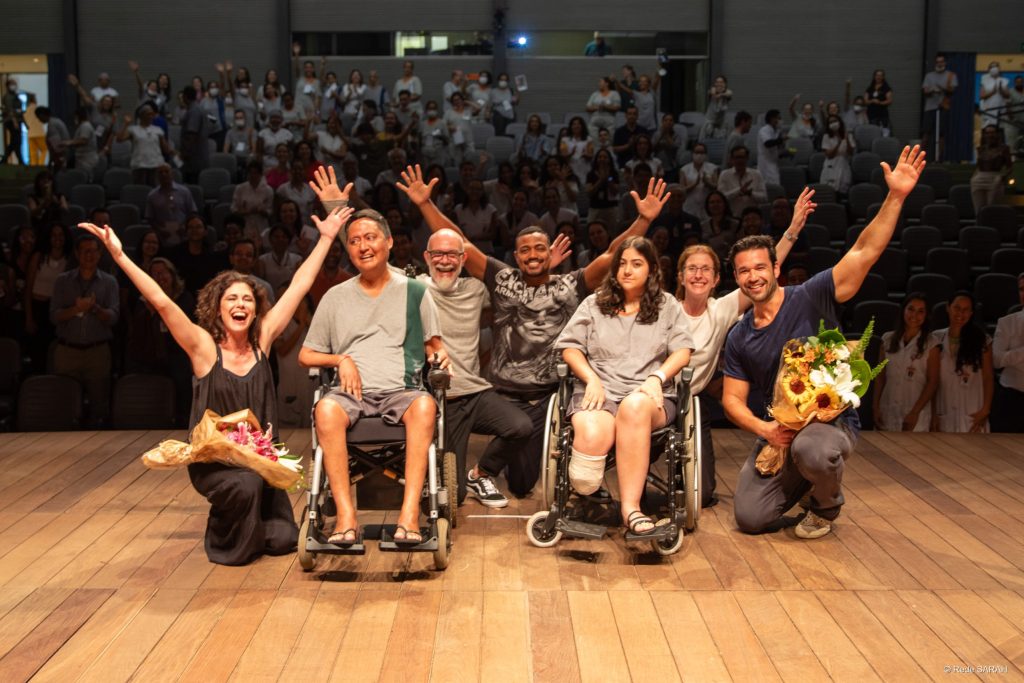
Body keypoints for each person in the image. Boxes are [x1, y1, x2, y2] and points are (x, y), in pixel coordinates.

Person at [78, 167, 354, 565]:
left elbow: (297, 286)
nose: (240, 305)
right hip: (216, 462)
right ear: (217, 308)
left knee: (279, 540)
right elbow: (161, 301)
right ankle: (224, 533)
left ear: (256, 308)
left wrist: (327, 237)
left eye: (247, 299)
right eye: (231, 300)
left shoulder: (262, 341)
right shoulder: (204, 349)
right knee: (243, 489)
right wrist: (119, 255)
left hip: (260, 460)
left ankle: (255, 519)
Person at [398, 163, 670, 497]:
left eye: (539, 248)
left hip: (549, 397)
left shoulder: (572, 284)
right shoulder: (501, 278)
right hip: (502, 393)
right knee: (518, 462)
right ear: (516, 255)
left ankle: (488, 468)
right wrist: (425, 204)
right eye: (525, 249)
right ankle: (484, 469)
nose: (532, 255)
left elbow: (614, 254)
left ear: (550, 253)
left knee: (522, 485)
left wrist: (644, 219)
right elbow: (461, 244)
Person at [723, 145, 925, 539]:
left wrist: (896, 196)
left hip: (830, 425)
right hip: (782, 431)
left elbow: (864, 251)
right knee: (751, 518)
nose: (753, 277)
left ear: (776, 267)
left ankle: (826, 505)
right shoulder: (739, 334)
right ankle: (804, 481)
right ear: (736, 278)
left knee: (813, 452)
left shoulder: (811, 294)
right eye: (744, 271)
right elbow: (731, 400)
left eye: (760, 267)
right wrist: (764, 430)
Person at [298, 202, 449, 546]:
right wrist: (340, 360)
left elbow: (434, 346)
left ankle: (409, 515)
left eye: (370, 238)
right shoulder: (335, 297)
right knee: (325, 409)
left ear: (389, 242)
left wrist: (440, 357)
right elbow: (306, 355)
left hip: (402, 390)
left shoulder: (416, 292)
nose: (363, 246)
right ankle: (346, 517)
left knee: (426, 406)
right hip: (349, 395)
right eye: (354, 241)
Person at [675, 187, 815, 507]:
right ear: (680, 277)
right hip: (655, 400)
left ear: (716, 280)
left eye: (706, 269)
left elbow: (762, 274)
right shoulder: (664, 308)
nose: (698, 274)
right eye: (691, 269)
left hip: (691, 404)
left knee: (705, 494)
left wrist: (792, 230)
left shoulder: (721, 309)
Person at [555, 236, 693, 533]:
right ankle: (585, 495)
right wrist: (591, 378)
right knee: (592, 435)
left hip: (648, 395)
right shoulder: (594, 303)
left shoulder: (667, 305)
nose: (627, 270)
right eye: (622, 264)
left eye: (637, 264)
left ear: (652, 269)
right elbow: (570, 348)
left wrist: (658, 377)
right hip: (600, 391)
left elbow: (683, 350)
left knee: (633, 406)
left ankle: (631, 509)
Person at [417, 228, 532, 507]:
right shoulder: (413, 287)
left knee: (521, 426)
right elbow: (371, 261)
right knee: (451, 499)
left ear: (463, 258)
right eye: (438, 254)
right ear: (427, 257)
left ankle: (481, 473)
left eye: (452, 254)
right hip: (442, 399)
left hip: (476, 394)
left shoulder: (476, 290)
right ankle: (432, 479)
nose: (444, 260)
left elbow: (519, 290)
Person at [50, 234, 120, 426]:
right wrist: (77, 309)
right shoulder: (63, 281)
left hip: (97, 352)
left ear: (100, 254)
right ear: (77, 254)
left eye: (93, 251)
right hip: (67, 351)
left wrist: (95, 309)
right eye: (85, 251)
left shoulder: (109, 282)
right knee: (64, 402)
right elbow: (54, 316)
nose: (89, 255)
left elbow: (114, 317)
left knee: (99, 405)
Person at [928, 292, 994, 433]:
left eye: (966, 310)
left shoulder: (982, 340)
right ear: (948, 308)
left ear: (971, 313)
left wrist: (985, 410)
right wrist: (933, 413)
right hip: (944, 412)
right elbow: (932, 381)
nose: (960, 313)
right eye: (957, 308)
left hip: (972, 414)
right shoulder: (935, 338)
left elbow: (988, 378)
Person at [873, 293, 936, 432]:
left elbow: (933, 382)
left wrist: (915, 412)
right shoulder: (887, 339)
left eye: (921, 311)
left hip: (915, 412)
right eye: (911, 309)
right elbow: (880, 378)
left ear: (926, 315)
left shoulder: (932, 343)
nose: (915, 315)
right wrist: (876, 407)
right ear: (904, 310)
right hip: (888, 407)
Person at [992, 274, 1024, 433]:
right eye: (1022, 289)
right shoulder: (1006, 322)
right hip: (1011, 398)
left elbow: (1004, 358)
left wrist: (1011, 356)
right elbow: (997, 360)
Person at [145, 164, 198, 246]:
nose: (164, 174)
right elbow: (150, 218)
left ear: (172, 174)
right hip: (162, 237)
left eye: (166, 171)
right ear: (157, 176)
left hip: (183, 235)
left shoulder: (184, 192)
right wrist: (160, 230)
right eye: (160, 172)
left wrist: (185, 226)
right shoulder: (152, 196)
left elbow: (192, 212)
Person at [921, 53, 958, 161]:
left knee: (942, 133)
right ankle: (921, 158)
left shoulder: (951, 75)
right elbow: (924, 90)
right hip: (930, 108)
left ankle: (940, 158)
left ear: (945, 63)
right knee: (926, 132)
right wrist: (931, 90)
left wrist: (941, 88)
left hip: (944, 107)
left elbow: (952, 90)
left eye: (941, 61)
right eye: (938, 62)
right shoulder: (929, 76)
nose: (939, 64)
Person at [970, 124, 1012, 214]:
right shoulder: (980, 149)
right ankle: (979, 226)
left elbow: (1010, 167)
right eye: (987, 133)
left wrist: (1001, 177)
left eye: (992, 133)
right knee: (978, 210)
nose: (990, 135)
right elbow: (978, 166)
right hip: (979, 178)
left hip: (995, 177)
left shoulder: (1004, 149)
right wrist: (973, 178)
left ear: (997, 134)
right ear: (984, 135)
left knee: (992, 209)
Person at [717, 145, 766, 217]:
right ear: (732, 159)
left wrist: (751, 194)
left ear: (747, 158)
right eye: (737, 158)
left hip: (752, 217)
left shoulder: (756, 174)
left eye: (742, 157)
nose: (739, 160)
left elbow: (764, 198)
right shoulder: (725, 175)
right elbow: (720, 198)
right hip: (731, 217)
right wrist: (739, 191)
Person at [680, 142, 718, 219]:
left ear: (706, 154)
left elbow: (717, 187)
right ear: (692, 153)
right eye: (697, 152)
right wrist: (694, 184)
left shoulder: (713, 168)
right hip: (690, 205)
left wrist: (708, 183)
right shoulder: (684, 169)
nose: (699, 155)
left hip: (706, 205)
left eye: (702, 152)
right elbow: (681, 190)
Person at [820, 115, 855, 195]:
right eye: (831, 122)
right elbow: (829, 155)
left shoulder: (848, 135)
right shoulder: (826, 137)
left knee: (842, 190)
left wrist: (847, 140)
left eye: (835, 121)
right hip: (831, 165)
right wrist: (839, 142)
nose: (833, 123)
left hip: (844, 164)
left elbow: (851, 153)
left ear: (839, 122)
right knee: (828, 191)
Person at [586, 77, 621, 143]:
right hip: (595, 121)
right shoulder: (595, 94)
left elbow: (617, 107)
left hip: (609, 122)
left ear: (606, 83)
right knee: (594, 143)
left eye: (600, 81)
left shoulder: (614, 94)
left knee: (609, 143)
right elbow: (587, 108)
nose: (598, 83)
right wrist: (597, 107)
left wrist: (605, 107)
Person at [756, 110, 785, 187]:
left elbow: (775, 150)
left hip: (773, 164)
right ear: (772, 119)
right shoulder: (764, 130)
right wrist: (782, 139)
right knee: (769, 187)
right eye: (779, 118)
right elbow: (768, 143)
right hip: (765, 165)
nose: (780, 121)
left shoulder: (775, 131)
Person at [699, 76, 732, 141]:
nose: (719, 84)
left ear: (725, 84)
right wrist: (717, 95)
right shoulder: (712, 90)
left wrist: (721, 95)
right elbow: (712, 93)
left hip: (721, 124)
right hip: (709, 123)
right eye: (717, 82)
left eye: (721, 82)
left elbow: (729, 93)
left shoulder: (727, 92)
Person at [979, 61, 1010, 129]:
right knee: (989, 130)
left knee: (1001, 130)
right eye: (992, 67)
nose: (994, 68)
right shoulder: (984, 80)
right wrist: (992, 92)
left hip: (1001, 110)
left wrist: (1001, 90)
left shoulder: (1004, 80)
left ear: (999, 68)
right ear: (989, 69)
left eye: (995, 66)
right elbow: (981, 96)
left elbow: (1008, 95)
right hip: (989, 110)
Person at [2, 76, 24, 165]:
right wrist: (14, 121)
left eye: (14, 84)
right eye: (12, 84)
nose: (14, 86)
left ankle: (19, 160)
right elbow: (10, 110)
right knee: (15, 141)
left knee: (16, 142)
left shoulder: (15, 95)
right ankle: (19, 161)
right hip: (12, 121)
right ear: (7, 86)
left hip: (17, 121)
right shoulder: (8, 97)